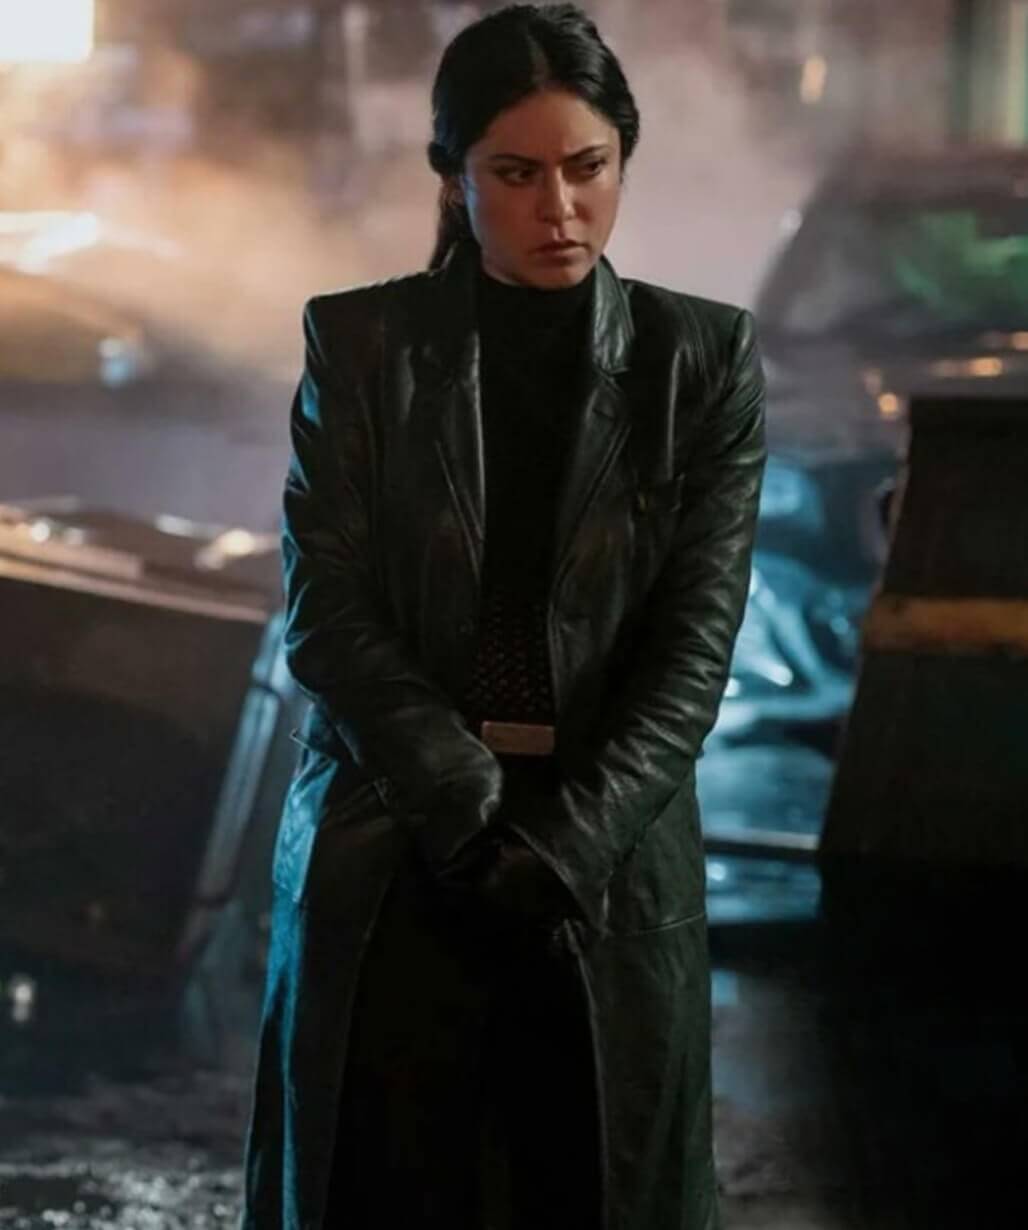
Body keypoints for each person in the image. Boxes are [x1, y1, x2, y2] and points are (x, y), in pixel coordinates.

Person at [239, 5, 766, 1229]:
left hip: (603, 855)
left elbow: (691, 649)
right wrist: (459, 801)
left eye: (587, 168)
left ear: (622, 161)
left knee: (587, 1183)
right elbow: (326, 607)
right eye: (515, 174)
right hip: (393, 835)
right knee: (380, 1185)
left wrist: (562, 847)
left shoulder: (697, 360)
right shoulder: (363, 342)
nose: (559, 209)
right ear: (453, 177)